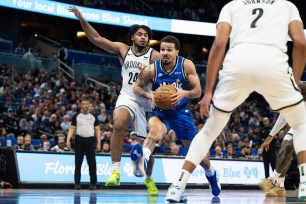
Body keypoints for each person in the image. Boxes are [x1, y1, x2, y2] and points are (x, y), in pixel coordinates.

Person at [166, 0, 306, 202]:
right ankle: (304, 184)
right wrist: (294, 81)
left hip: (237, 64)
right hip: (273, 64)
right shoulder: (287, 5)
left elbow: (219, 45)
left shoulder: (232, 5)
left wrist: (208, 92)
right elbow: (300, 44)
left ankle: (177, 185)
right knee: (301, 124)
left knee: (209, 131)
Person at [68, 6, 161, 194]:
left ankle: (149, 179)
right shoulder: (122, 49)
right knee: (118, 123)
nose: (143, 37)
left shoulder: (155, 56)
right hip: (127, 96)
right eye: (140, 34)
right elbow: (96, 39)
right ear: (133, 37)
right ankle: (115, 171)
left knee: (147, 149)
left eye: (146, 35)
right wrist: (81, 19)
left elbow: (171, 72)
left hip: (145, 101)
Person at [131, 35, 220, 197]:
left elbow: (197, 91)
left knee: (197, 153)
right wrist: (151, 96)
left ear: (176, 52)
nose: (165, 53)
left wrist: (183, 93)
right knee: (153, 133)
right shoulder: (152, 69)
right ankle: (142, 160)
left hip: (181, 113)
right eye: (162, 49)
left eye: (169, 50)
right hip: (160, 112)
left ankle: (211, 173)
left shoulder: (186, 65)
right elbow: (137, 87)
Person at [258, 83, 306, 197]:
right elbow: (283, 117)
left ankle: (272, 179)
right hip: (297, 127)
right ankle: (279, 186)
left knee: (290, 146)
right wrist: (270, 136)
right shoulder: (293, 101)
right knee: (283, 149)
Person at [66, 98, 101, 190]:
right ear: (81, 105)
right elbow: (72, 129)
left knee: (92, 163)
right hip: (79, 140)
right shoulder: (76, 116)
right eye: (84, 103)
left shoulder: (93, 116)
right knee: (78, 163)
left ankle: (93, 183)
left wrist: (99, 143)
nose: (85, 105)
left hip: (90, 141)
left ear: (89, 105)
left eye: (87, 104)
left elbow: (97, 130)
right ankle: (77, 183)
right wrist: (68, 140)